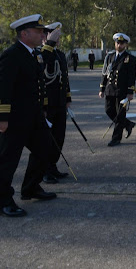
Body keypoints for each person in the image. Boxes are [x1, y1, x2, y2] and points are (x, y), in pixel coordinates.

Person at [0, 14, 56, 218]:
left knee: (45, 149)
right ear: (24, 33)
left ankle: (31, 188)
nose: (42, 33)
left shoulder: (35, 54)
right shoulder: (12, 55)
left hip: (33, 117)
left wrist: (42, 109)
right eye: (38, 30)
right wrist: (2, 118)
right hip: (14, 119)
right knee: (7, 160)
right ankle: (3, 200)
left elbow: (38, 85)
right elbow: (3, 88)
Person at [40, 22, 72, 184]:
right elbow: (42, 66)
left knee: (59, 137)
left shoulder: (59, 54)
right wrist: (50, 44)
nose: (58, 39)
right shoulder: (40, 53)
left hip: (59, 103)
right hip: (47, 105)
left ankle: (52, 167)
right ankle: (44, 170)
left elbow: (64, 78)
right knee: (47, 139)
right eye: (54, 36)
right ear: (45, 35)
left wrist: (67, 99)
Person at [99, 33, 136, 147]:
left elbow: (132, 76)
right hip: (110, 89)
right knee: (108, 110)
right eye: (117, 43)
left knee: (120, 114)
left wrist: (130, 92)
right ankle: (127, 124)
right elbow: (105, 73)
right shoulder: (109, 57)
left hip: (122, 90)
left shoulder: (130, 58)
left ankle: (116, 138)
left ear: (125, 44)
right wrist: (102, 88)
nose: (119, 45)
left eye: (121, 43)